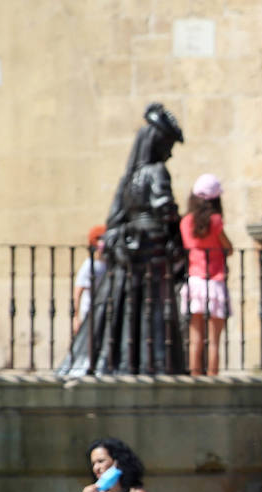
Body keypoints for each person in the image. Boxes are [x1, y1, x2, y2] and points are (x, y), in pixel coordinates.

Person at [58, 103, 187, 376]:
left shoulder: (127, 179)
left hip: (130, 257)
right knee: (152, 315)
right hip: (152, 253)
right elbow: (166, 210)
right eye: (168, 144)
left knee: (130, 313)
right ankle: (154, 364)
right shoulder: (156, 173)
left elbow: (114, 220)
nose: (171, 152)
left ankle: (127, 362)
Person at [179, 173, 233, 376]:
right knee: (214, 340)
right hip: (215, 280)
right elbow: (228, 247)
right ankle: (212, 376)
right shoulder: (216, 220)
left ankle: (195, 376)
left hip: (194, 281)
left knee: (195, 338)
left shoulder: (186, 222)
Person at [71, 224, 106, 336]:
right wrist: (75, 317)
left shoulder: (109, 264)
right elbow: (78, 292)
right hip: (89, 312)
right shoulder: (88, 265)